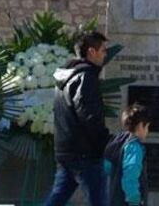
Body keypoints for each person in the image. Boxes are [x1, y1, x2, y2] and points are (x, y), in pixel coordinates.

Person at [43, 30, 111, 206]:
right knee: (99, 201)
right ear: (91, 52)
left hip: (67, 152)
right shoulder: (85, 77)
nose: (106, 54)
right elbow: (89, 116)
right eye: (103, 50)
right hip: (85, 154)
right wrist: (106, 142)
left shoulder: (66, 76)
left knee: (56, 199)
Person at [105, 104, 152, 206]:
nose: (148, 131)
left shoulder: (118, 141)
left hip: (114, 198)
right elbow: (130, 174)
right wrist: (134, 200)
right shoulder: (134, 147)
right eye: (147, 127)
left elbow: (107, 167)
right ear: (140, 126)